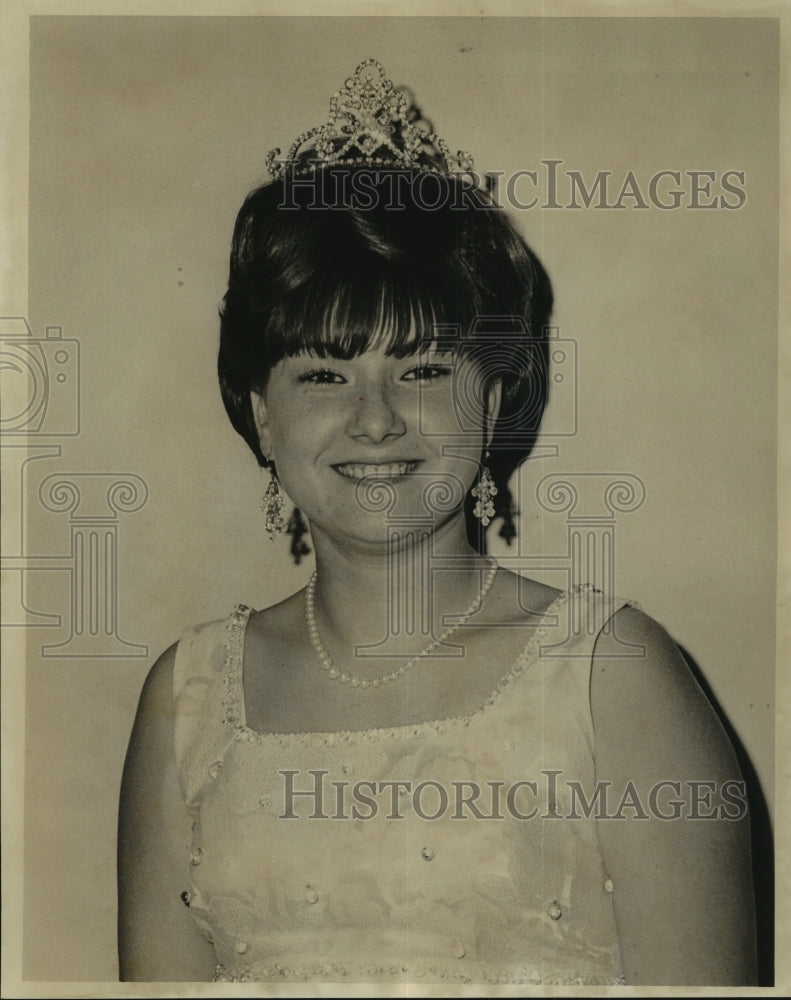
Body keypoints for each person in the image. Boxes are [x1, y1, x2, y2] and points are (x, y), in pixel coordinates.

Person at [117, 59, 757, 986]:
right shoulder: (185, 696)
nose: (374, 420)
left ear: (492, 403)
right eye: (324, 374)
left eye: (422, 371)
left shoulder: (613, 677)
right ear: (262, 414)